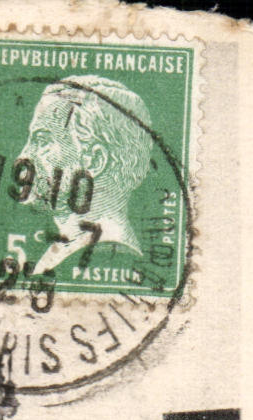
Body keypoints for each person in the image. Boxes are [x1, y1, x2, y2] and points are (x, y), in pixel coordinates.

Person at [16, 75, 156, 276]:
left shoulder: (107, 258)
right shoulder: (69, 251)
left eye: (43, 141)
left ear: (95, 160)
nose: (24, 157)